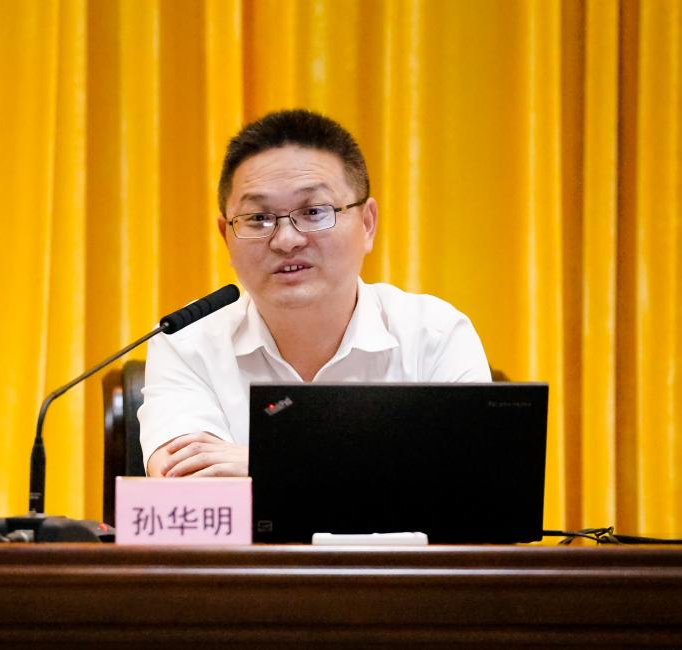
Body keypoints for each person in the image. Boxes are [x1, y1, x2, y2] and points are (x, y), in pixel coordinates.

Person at [139, 109, 491, 477]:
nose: (286, 240)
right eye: (258, 218)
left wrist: (261, 464)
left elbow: (472, 485)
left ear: (367, 223)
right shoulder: (187, 341)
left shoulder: (434, 335)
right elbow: (186, 482)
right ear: (227, 237)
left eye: (313, 211)